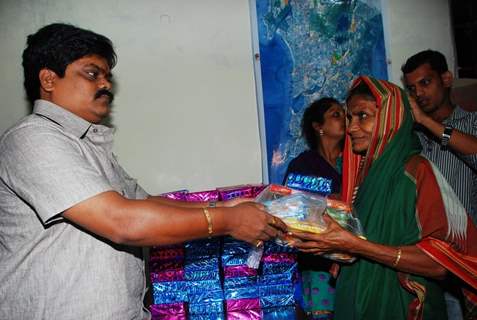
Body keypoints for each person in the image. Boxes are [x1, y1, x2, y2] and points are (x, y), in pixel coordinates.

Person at [0, 23, 287, 320]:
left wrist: (222, 205)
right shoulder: (31, 138)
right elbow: (122, 221)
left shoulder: (88, 144)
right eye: (91, 73)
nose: (106, 85)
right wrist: (228, 220)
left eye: (107, 76)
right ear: (48, 79)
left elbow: (144, 203)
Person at [287, 76, 477, 319]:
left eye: (362, 116)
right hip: (356, 301)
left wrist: (356, 246)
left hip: (401, 305)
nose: (351, 127)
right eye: (348, 118)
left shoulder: (416, 171)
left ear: (391, 118)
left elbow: (439, 264)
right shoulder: (361, 177)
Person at [402, 49, 477, 319]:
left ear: (446, 79)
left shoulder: (472, 122)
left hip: (467, 260)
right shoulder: (412, 136)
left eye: (426, 82)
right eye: (412, 88)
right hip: (428, 263)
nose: (419, 93)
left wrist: (427, 123)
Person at [283, 97, 345, 319]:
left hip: (354, 257)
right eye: (336, 115)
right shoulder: (304, 164)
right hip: (319, 259)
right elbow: (291, 211)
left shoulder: (355, 161)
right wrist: (331, 203)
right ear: (318, 126)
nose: (344, 119)